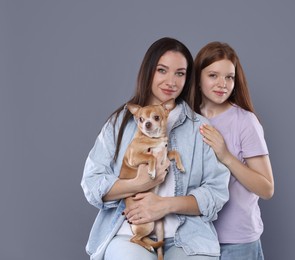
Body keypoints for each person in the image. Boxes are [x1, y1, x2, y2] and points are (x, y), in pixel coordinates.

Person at [81, 37, 230, 260]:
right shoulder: (119, 123)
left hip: (189, 237)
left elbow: (216, 192)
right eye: (162, 70)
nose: (171, 81)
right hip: (127, 232)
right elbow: (92, 184)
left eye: (180, 73)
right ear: (149, 71)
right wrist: (138, 184)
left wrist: (164, 205)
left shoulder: (199, 128)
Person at [193, 42, 274, 260]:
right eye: (213, 75)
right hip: (195, 241)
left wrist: (226, 156)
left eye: (229, 77)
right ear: (198, 79)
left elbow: (266, 189)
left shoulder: (245, 122)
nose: (222, 84)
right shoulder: (186, 118)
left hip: (237, 243)